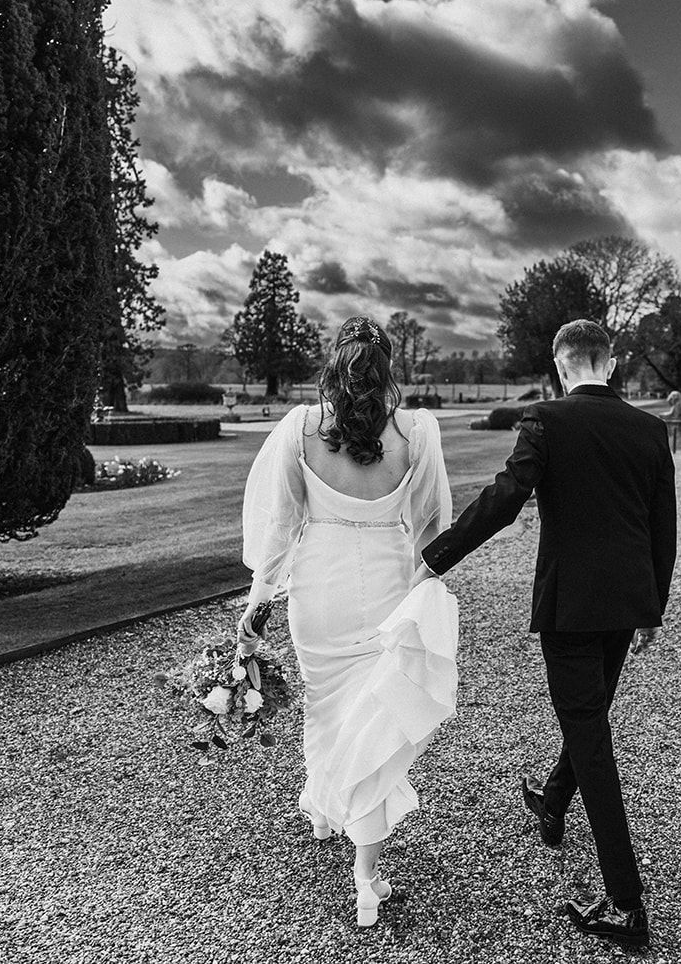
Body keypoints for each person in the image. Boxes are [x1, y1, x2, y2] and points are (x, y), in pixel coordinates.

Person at [417, 320, 677, 950]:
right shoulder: (649, 429)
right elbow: (662, 527)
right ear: (610, 365)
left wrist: (435, 556)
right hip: (625, 603)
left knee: (591, 738)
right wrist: (652, 609)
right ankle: (554, 801)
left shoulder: (546, 420)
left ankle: (625, 904)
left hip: (569, 607)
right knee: (588, 716)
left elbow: (507, 498)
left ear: (562, 368)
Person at [235, 316, 454, 928]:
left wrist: (259, 600)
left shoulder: (300, 429)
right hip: (388, 583)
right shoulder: (417, 434)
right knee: (374, 714)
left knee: (325, 703)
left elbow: (278, 527)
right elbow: (436, 524)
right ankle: (366, 874)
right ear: (388, 371)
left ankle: (326, 814)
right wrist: (423, 585)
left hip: (319, 587)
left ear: (334, 364)